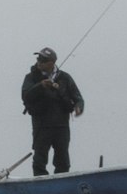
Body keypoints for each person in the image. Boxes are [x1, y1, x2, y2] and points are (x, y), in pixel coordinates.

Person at [19, 47, 83, 175]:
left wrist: (79, 107)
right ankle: (40, 186)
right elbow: (25, 96)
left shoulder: (65, 78)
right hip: (41, 125)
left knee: (63, 160)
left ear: (51, 63)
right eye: (38, 58)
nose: (39, 62)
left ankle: (62, 184)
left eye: (43, 60)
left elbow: (78, 98)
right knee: (39, 160)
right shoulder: (30, 77)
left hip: (62, 126)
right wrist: (41, 86)